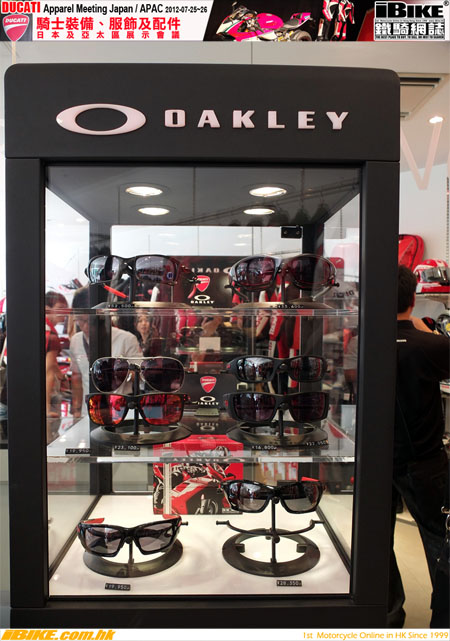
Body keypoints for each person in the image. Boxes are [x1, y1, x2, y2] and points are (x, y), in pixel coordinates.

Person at [388, 265, 450, 628]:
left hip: (376, 456)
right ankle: (443, 619)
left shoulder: (362, 343)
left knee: (375, 541)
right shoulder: (433, 345)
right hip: (424, 461)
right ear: (413, 298)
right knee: (439, 538)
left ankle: (387, 615)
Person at [70, 286, 142, 417]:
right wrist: (76, 410)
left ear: (101, 317)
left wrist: (124, 372)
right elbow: (77, 379)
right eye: (80, 320)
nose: (85, 326)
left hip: (121, 412)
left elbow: (140, 376)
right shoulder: (75, 341)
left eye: (90, 321)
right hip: (88, 413)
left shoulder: (126, 339)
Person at [45, 291, 68, 418]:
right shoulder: (51, 335)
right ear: (46, 309)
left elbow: (51, 364)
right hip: (38, 401)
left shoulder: (33, 327)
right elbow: (48, 371)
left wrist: (61, 376)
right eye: (60, 308)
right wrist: (46, 408)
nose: (64, 312)